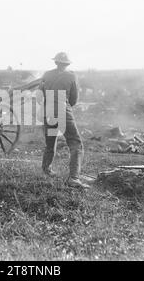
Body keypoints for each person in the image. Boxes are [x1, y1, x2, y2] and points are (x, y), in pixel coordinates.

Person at [39, 52, 90, 189]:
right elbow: (74, 98)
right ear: (67, 64)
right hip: (63, 111)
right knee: (76, 143)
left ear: (56, 62)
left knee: (50, 142)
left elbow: (41, 94)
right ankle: (74, 178)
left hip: (47, 111)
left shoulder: (47, 74)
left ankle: (46, 169)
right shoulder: (71, 76)